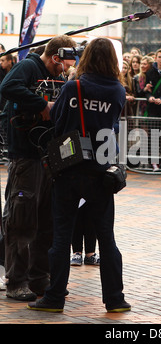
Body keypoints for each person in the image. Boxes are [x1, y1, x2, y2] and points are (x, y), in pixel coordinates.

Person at [27, 37, 130, 313]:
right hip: (101, 171)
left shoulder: (74, 87)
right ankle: (115, 299)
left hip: (70, 168)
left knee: (61, 236)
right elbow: (113, 125)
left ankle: (54, 297)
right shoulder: (118, 90)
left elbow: (58, 122)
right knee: (107, 238)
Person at [0, 35, 77, 301]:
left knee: (48, 220)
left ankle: (38, 277)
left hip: (52, 154)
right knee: (22, 219)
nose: (65, 69)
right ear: (55, 56)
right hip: (26, 155)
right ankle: (16, 281)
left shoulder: (61, 75)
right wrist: (42, 105)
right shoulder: (29, 67)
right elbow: (8, 86)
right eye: (63, 63)